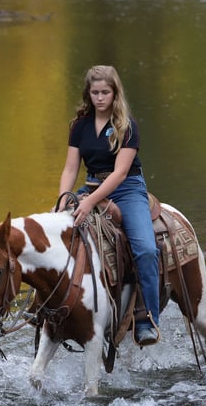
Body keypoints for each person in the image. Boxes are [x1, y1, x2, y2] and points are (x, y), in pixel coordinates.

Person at [55, 65, 160, 346]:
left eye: (105, 92)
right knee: (57, 234)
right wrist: (64, 198)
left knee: (147, 250)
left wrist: (89, 203)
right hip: (89, 186)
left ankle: (147, 318)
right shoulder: (80, 126)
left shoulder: (127, 126)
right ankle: (56, 309)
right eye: (95, 92)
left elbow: (120, 173)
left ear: (115, 94)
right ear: (88, 95)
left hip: (127, 190)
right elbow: (69, 169)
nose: (100, 98)